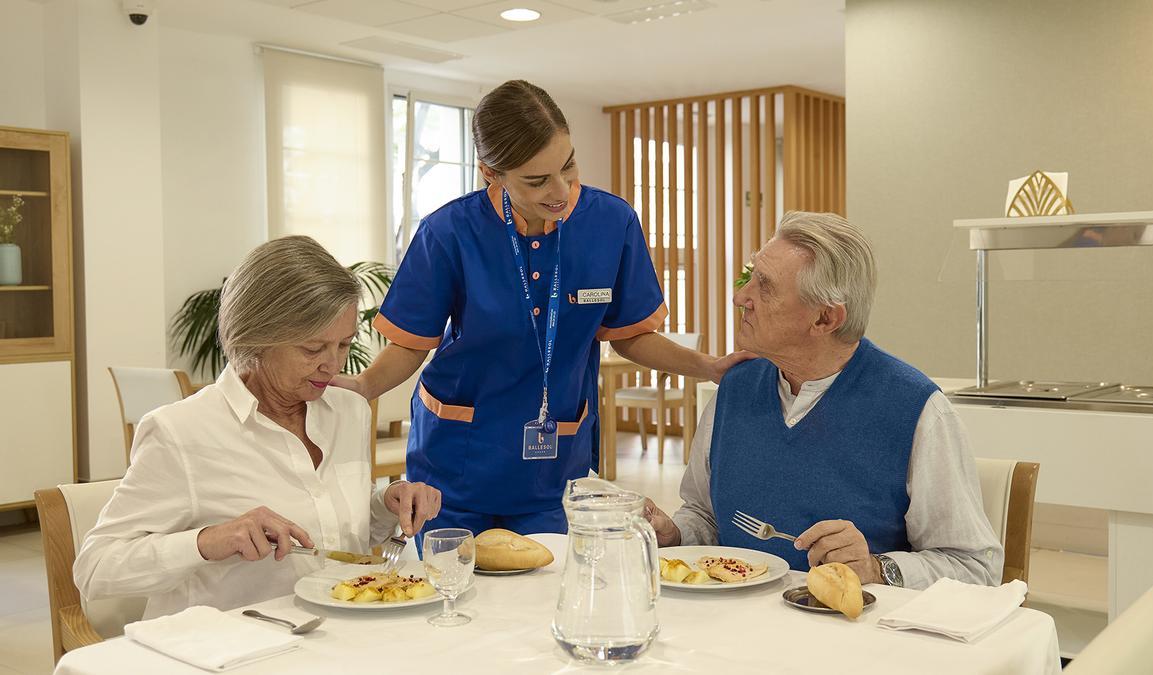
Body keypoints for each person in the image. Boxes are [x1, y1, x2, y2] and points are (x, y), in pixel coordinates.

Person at [334, 80, 750, 536]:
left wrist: (707, 367)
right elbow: (412, 344)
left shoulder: (611, 223)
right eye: (536, 180)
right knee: (450, 590)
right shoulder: (448, 232)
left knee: (547, 590)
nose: (561, 190)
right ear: (491, 173)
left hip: (554, 466)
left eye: (568, 166)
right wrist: (364, 385)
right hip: (455, 462)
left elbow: (630, 334)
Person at [74, 236, 442, 618]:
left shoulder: (348, 410)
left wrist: (386, 504)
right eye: (313, 349)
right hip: (227, 652)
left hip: (333, 638)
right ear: (256, 338)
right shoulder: (181, 433)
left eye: (344, 345)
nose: (333, 366)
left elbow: (337, 534)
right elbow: (95, 568)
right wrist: (206, 542)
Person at [644, 212, 1003, 589]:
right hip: (738, 629)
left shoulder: (916, 410)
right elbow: (706, 516)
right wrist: (676, 536)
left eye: (764, 286)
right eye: (750, 276)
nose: (740, 297)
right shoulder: (734, 388)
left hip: (856, 637)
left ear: (825, 319)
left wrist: (876, 568)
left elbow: (976, 568)